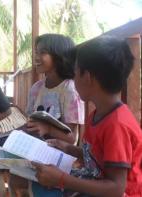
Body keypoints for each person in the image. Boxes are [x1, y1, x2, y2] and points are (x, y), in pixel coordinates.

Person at [32, 36, 142, 197]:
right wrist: (68, 148)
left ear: (88, 77)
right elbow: (98, 157)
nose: (73, 78)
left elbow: (117, 188)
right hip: (95, 182)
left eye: (75, 72)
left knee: (45, 190)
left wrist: (61, 179)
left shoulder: (117, 125)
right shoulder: (98, 115)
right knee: (40, 184)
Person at [9, 34, 85, 196]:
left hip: (59, 154)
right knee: (15, 179)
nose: (36, 57)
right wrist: (5, 135)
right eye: (35, 52)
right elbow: (30, 124)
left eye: (42, 52)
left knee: (28, 183)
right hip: (34, 148)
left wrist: (47, 128)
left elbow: (72, 138)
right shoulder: (37, 88)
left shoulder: (69, 89)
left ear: (59, 57)